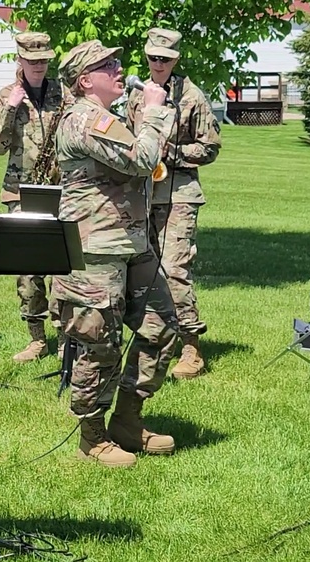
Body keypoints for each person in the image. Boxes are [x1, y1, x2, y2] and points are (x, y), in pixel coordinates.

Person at [53, 39, 179, 469]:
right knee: (99, 345)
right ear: (86, 80)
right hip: (95, 250)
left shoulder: (110, 116)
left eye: (118, 61)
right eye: (108, 65)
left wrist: (145, 114)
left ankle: (127, 420)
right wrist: (156, 109)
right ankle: (92, 437)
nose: (120, 68)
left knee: (161, 328)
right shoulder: (84, 119)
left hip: (131, 245)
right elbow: (143, 158)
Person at [125, 28, 221, 379]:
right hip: (143, 193)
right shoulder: (137, 95)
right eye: (153, 58)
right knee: (142, 267)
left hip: (179, 193)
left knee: (174, 267)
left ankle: (191, 345)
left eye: (165, 59)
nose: (159, 64)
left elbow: (209, 148)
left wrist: (173, 153)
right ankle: (152, 336)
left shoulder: (192, 96)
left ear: (176, 60)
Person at [0, 31, 73, 363]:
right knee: (28, 270)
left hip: (61, 190)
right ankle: (36, 339)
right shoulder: (7, 95)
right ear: (20, 60)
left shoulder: (65, 94)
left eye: (43, 60)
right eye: (32, 60)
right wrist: (10, 109)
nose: (38, 66)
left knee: (63, 266)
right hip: (20, 191)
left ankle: (66, 336)